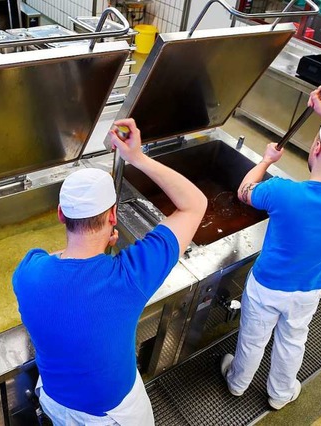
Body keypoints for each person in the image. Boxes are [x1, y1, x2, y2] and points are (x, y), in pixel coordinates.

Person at [13, 118, 207, 425]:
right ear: (113, 216)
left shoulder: (26, 273)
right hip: (111, 415)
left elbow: (54, 261)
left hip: (55, 402)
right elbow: (195, 205)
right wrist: (137, 158)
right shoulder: (130, 277)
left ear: (61, 215)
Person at [220, 85, 321, 410]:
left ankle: (237, 382)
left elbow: (245, 190)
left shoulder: (282, 192)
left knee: (252, 338)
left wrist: (266, 159)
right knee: (293, 339)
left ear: (316, 147)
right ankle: (280, 394)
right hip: (309, 289)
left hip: (267, 286)